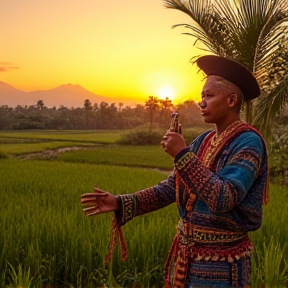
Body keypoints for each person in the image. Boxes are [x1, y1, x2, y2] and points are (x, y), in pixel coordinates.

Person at [81, 55, 269, 288]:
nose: (201, 103)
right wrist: (122, 202)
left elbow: (224, 197)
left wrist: (181, 154)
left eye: (208, 96)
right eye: (202, 96)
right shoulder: (204, 140)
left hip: (223, 266)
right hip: (186, 259)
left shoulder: (248, 142)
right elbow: (173, 187)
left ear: (231, 100)